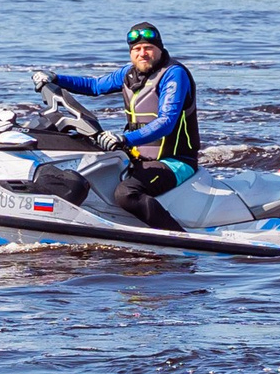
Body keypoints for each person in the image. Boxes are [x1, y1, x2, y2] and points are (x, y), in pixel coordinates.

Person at [33, 22, 200, 231]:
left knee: (127, 193)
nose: (143, 53)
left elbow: (166, 122)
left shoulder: (174, 74)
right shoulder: (128, 74)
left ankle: (177, 237)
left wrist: (124, 139)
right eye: (137, 49)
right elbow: (94, 86)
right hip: (137, 156)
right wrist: (55, 78)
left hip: (175, 161)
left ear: (160, 49)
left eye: (148, 47)